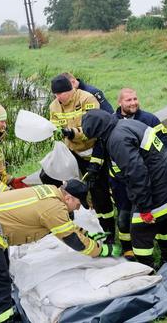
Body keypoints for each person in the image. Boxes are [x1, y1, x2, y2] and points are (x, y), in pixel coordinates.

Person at [0, 180, 120, 323]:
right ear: (68, 198)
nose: (78, 209)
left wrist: (87, 234)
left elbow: (62, 225)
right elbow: (73, 241)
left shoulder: (50, 192)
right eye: (78, 205)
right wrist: (102, 250)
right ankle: (2, 318)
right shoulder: (53, 208)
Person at [81, 109, 167, 268]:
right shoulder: (126, 124)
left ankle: (147, 271)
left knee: (139, 231)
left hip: (156, 186)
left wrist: (145, 208)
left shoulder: (117, 139)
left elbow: (137, 174)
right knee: (160, 220)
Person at [47, 74, 116, 242]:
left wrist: (73, 133)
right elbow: (54, 126)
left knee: (100, 193)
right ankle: (79, 225)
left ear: (71, 89)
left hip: (95, 151)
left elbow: (94, 127)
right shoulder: (54, 106)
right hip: (74, 154)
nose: (59, 98)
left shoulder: (87, 99)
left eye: (61, 94)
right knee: (70, 188)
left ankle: (109, 233)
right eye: (55, 95)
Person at [111, 87, 167, 258]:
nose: (133, 103)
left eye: (135, 99)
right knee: (124, 215)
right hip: (122, 181)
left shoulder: (149, 118)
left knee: (159, 213)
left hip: (149, 177)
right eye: (128, 100)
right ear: (120, 102)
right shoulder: (112, 121)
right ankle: (127, 247)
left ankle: (166, 243)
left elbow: (164, 141)